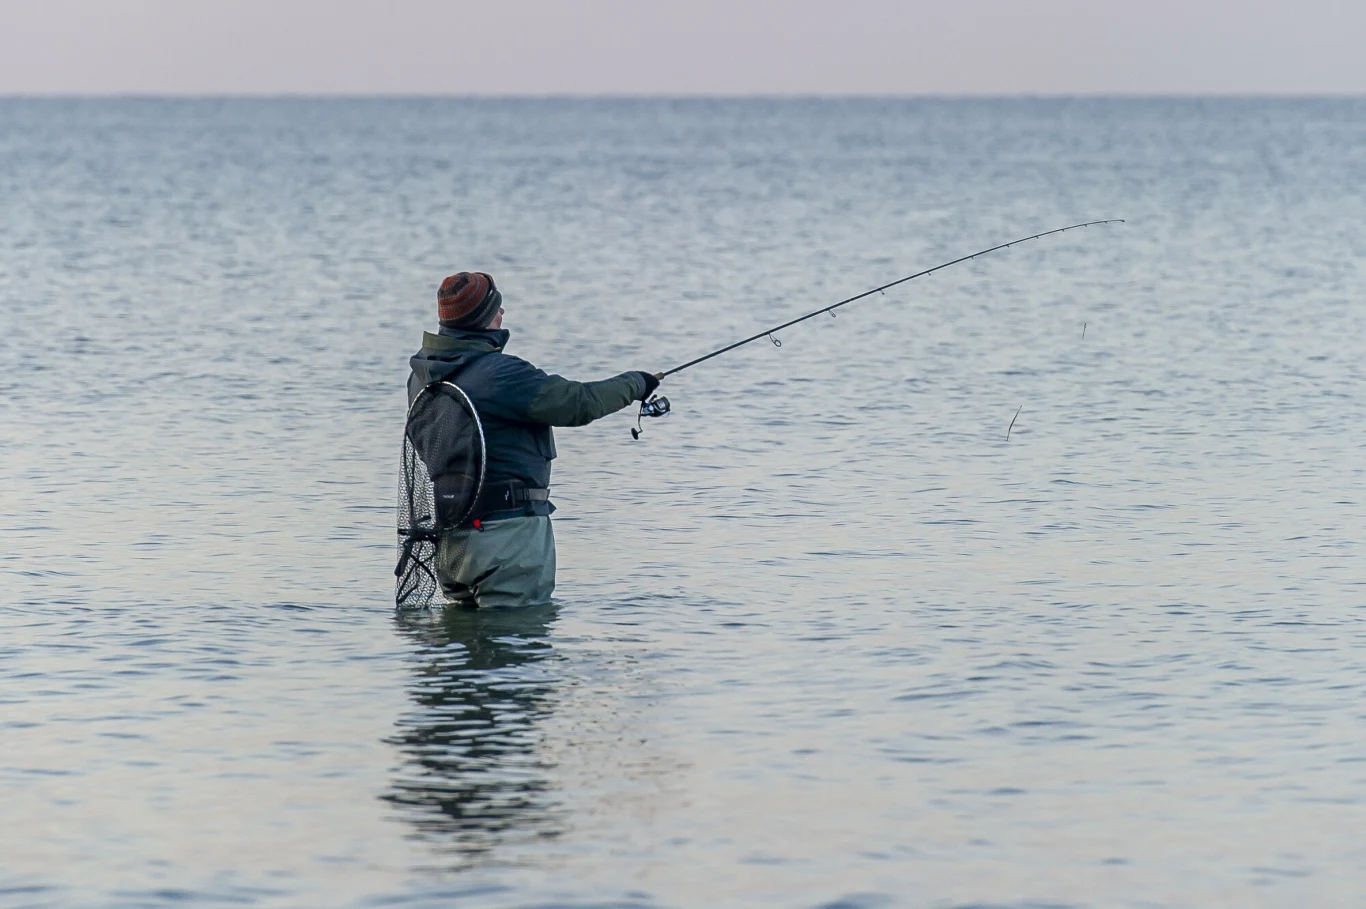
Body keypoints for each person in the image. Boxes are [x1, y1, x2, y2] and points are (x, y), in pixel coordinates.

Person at [407, 271, 659, 609]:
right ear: (483, 318)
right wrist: (636, 383)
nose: (503, 314)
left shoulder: (419, 378)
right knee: (518, 650)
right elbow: (577, 404)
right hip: (508, 541)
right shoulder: (501, 374)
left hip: (451, 543)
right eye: (497, 308)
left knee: (462, 653)